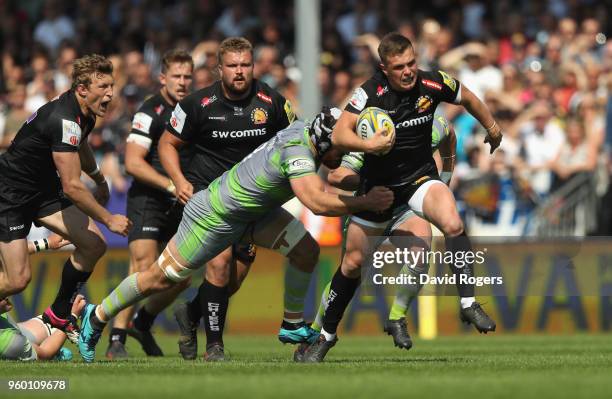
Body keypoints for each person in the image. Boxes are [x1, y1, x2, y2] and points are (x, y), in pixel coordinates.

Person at [77, 108, 394, 363]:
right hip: (215, 215)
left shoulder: (305, 129)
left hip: (254, 212)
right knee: (159, 278)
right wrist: (366, 202)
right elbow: (315, 202)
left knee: (306, 251)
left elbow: (333, 169)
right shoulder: (297, 150)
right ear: (325, 143)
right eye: (340, 148)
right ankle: (98, 314)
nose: (342, 155)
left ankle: (292, 324)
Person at [300, 32, 502, 362]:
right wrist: (369, 146)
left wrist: (492, 127)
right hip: (378, 192)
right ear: (384, 68)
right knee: (351, 265)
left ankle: (467, 303)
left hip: (419, 179)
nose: (408, 71)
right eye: (399, 67)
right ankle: (325, 335)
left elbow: (468, 99)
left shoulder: (434, 83)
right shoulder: (369, 93)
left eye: (411, 63)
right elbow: (339, 133)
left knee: (452, 223)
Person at [157, 37, 296, 361]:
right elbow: (167, 144)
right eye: (232, 66)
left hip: (252, 201)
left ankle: (191, 314)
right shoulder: (197, 104)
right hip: (211, 200)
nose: (239, 71)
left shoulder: (272, 103)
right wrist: (178, 181)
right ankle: (214, 346)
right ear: (219, 69)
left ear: (253, 66)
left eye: (245, 65)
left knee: (233, 279)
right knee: (218, 266)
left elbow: (296, 138)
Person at [0, 54, 131, 343]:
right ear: (82, 89)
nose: (111, 93)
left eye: (112, 85)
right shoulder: (64, 119)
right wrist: (109, 218)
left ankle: (59, 314)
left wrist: (98, 178)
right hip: (9, 195)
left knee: (94, 244)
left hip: (43, 191)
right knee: (17, 280)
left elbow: (81, 145)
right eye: (104, 87)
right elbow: (72, 186)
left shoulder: (84, 112)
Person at [303, 116, 457, 355]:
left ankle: (396, 317)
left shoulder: (428, 127)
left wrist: (445, 176)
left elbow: (449, 134)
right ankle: (315, 332)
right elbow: (335, 176)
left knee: (421, 249)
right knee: (351, 271)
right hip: (370, 208)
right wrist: (373, 181)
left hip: (403, 210)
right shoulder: (371, 137)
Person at [105, 50, 194, 359]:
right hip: (149, 197)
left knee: (180, 278)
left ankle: (142, 322)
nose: (182, 82)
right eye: (176, 76)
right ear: (163, 78)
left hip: (181, 201)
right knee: (143, 265)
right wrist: (170, 184)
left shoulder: (195, 110)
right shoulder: (149, 111)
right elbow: (132, 162)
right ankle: (116, 338)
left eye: (187, 77)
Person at [0, 233, 77, 361]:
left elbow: (10, 255)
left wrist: (47, 243)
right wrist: (71, 316)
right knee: (42, 345)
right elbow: (44, 353)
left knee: (44, 327)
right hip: (9, 340)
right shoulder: (7, 342)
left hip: (10, 328)